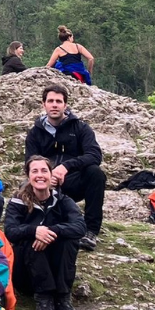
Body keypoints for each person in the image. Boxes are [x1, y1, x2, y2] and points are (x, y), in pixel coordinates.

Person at [24, 84, 106, 251]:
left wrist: (66, 166)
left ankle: (90, 231)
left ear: (65, 105)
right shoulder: (35, 132)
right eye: (51, 101)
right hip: (47, 184)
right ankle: (36, 227)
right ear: (43, 104)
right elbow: (30, 162)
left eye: (59, 101)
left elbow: (95, 155)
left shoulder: (81, 128)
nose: (54, 105)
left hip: (74, 180)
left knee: (96, 173)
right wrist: (46, 175)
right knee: (26, 185)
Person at [4, 156, 84, 310]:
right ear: (28, 176)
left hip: (56, 267)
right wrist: (34, 231)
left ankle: (63, 298)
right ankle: (44, 298)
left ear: (50, 174)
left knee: (68, 239)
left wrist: (51, 231)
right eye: (35, 171)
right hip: (27, 273)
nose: (40, 175)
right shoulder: (18, 201)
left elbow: (80, 227)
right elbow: (10, 232)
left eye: (44, 171)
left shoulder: (62, 200)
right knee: (29, 240)